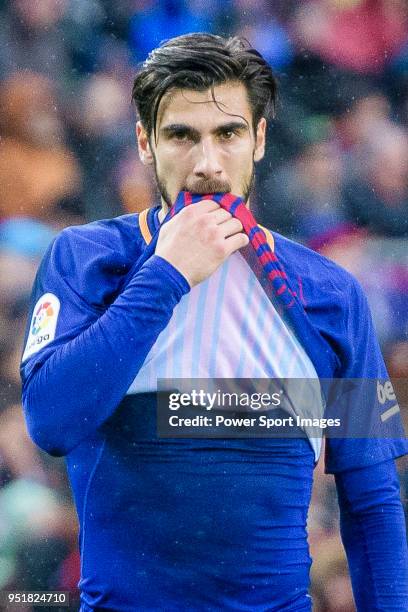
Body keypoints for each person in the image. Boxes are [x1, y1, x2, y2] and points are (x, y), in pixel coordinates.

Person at [20, 33, 408, 611]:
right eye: (181, 135)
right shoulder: (86, 260)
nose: (206, 164)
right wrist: (166, 274)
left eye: (227, 133)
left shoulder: (330, 295)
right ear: (145, 143)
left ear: (259, 139)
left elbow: (371, 498)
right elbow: (51, 421)